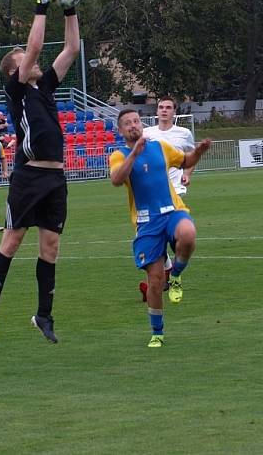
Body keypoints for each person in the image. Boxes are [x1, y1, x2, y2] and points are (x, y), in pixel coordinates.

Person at [0, 0, 80, 344]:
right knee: (11, 241)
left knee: (50, 247)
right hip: (28, 177)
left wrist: (69, 8)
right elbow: (33, 49)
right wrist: (41, 3)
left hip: (55, 178)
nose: (33, 60)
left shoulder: (46, 86)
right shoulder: (16, 89)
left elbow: (71, 50)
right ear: (13, 72)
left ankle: (44, 315)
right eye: (24, 60)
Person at [109, 109, 211, 347]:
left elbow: (186, 161)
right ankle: (157, 332)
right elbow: (116, 180)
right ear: (121, 130)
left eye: (136, 121)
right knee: (154, 281)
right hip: (146, 222)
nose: (133, 125)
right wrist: (134, 154)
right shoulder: (118, 154)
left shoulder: (161, 147)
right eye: (127, 123)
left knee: (188, 234)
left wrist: (199, 151)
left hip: (171, 211)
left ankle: (175, 275)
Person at [138, 96, 197, 301]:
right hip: (152, 194)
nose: (164, 110)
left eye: (168, 108)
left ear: (174, 112)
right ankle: (169, 276)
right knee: (158, 240)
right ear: (157, 111)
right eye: (161, 107)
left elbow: (191, 156)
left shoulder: (184, 133)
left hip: (175, 191)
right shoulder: (147, 134)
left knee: (174, 236)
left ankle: (171, 276)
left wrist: (187, 173)